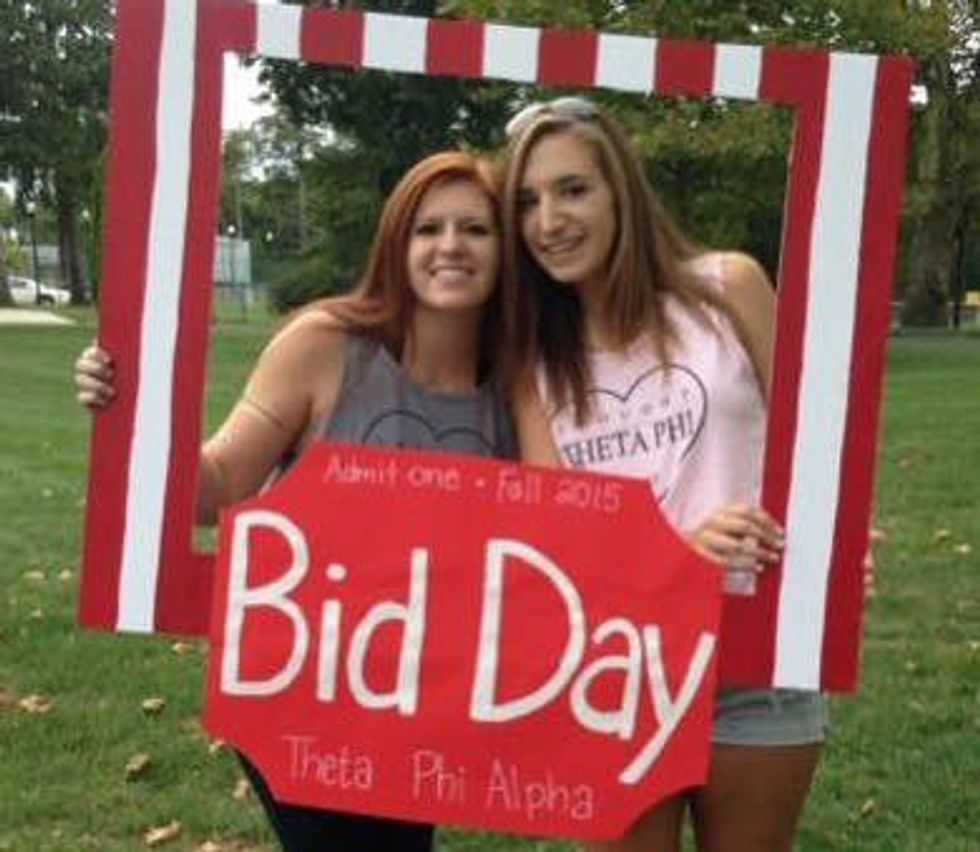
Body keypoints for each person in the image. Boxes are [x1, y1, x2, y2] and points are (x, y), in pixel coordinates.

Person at [75, 150, 515, 852]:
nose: (451, 246)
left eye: (476, 229)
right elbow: (219, 486)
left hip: (423, 694)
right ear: (396, 244)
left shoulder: (518, 389)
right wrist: (133, 412)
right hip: (295, 675)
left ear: (505, 250)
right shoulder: (326, 346)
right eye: (428, 228)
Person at [499, 96, 827, 852]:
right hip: (616, 668)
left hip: (756, 661)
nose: (549, 220)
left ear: (621, 190)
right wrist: (679, 553)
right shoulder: (531, 361)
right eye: (527, 201)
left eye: (573, 189)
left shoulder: (728, 287)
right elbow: (559, 542)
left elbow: (816, 451)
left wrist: (836, 554)